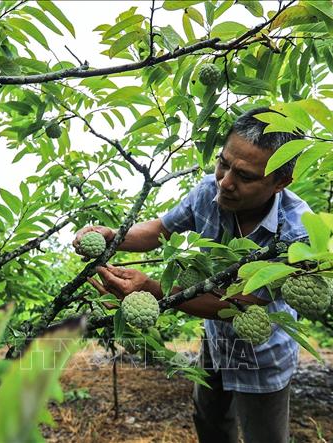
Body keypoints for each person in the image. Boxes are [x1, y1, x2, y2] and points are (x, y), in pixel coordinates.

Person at [74, 107, 311, 443]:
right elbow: (160, 229)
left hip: (262, 352)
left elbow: (240, 303)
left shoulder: (297, 233)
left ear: (280, 182)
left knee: (265, 436)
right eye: (223, 163)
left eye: (244, 176)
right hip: (216, 341)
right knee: (209, 419)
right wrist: (115, 236)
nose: (225, 182)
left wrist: (153, 290)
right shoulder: (208, 192)